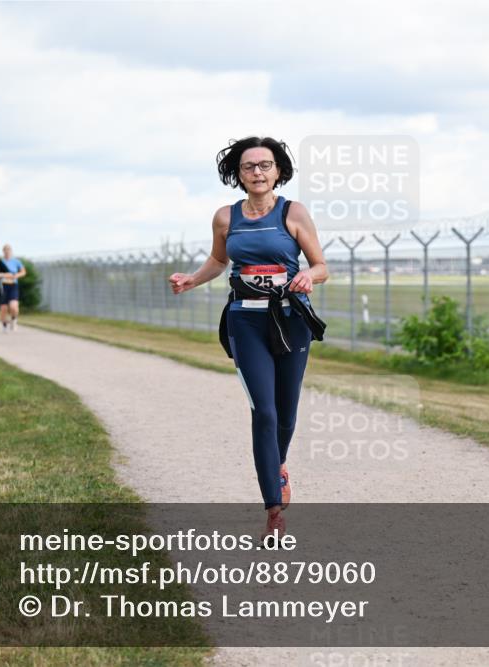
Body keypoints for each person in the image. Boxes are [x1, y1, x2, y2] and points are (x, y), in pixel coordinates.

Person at [169, 137, 328, 544]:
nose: (257, 172)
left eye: (265, 165)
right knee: (265, 412)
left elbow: (320, 264)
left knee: (287, 412)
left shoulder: (293, 213)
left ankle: (279, 465)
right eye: (248, 166)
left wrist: (310, 276)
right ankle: (274, 510)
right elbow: (219, 261)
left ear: (278, 171)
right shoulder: (225, 217)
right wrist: (191, 279)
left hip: (291, 319)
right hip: (246, 321)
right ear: (237, 174)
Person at [0, 244, 26, 331]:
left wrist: (16, 275)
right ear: (3, 251)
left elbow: (23, 272)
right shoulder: (0, 262)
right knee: (3, 309)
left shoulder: (16, 261)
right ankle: (4, 325)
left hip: (13, 285)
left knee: (14, 306)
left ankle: (14, 319)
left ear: (11, 251)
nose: (7, 251)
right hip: (3, 286)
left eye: (9, 249)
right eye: (5, 249)